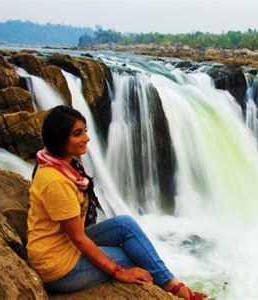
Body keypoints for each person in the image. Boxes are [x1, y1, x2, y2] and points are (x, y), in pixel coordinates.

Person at [27, 105, 206, 299]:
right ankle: (176, 290)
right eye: (77, 134)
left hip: (65, 242)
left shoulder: (62, 163)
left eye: (85, 131)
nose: (86, 138)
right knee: (133, 258)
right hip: (58, 267)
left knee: (124, 224)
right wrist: (118, 271)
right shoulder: (55, 181)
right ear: (59, 138)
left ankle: (171, 284)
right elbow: (78, 238)